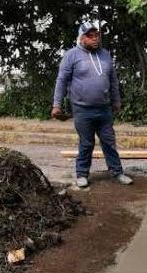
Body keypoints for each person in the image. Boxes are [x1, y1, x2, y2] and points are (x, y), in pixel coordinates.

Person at [52, 21, 133, 188]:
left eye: (97, 35)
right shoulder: (71, 55)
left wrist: (116, 100)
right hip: (82, 109)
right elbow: (61, 81)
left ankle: (117, 172)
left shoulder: (105, 54)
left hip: (104, 108)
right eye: (91, 36)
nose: (95, 39)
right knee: (86, 143)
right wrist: (57, 104)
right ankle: (82, 174)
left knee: (109, 141)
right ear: (82, 38)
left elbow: (113, 80)